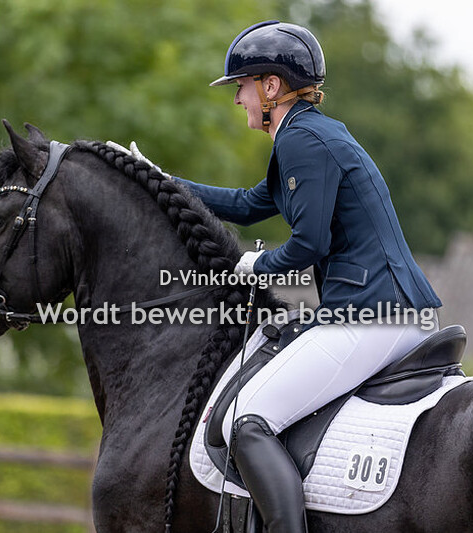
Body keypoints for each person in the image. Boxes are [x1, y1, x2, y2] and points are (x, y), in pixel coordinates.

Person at [132, 20, 442, 533]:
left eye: (242, 86)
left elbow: (308, 246)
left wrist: (254, 265)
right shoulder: (310, 134)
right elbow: (249, 206)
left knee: (243, 421)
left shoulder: (302, 140)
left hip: (372, 315)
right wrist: (161, 180)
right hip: (390, 310)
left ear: (271, 86)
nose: (239, 100)